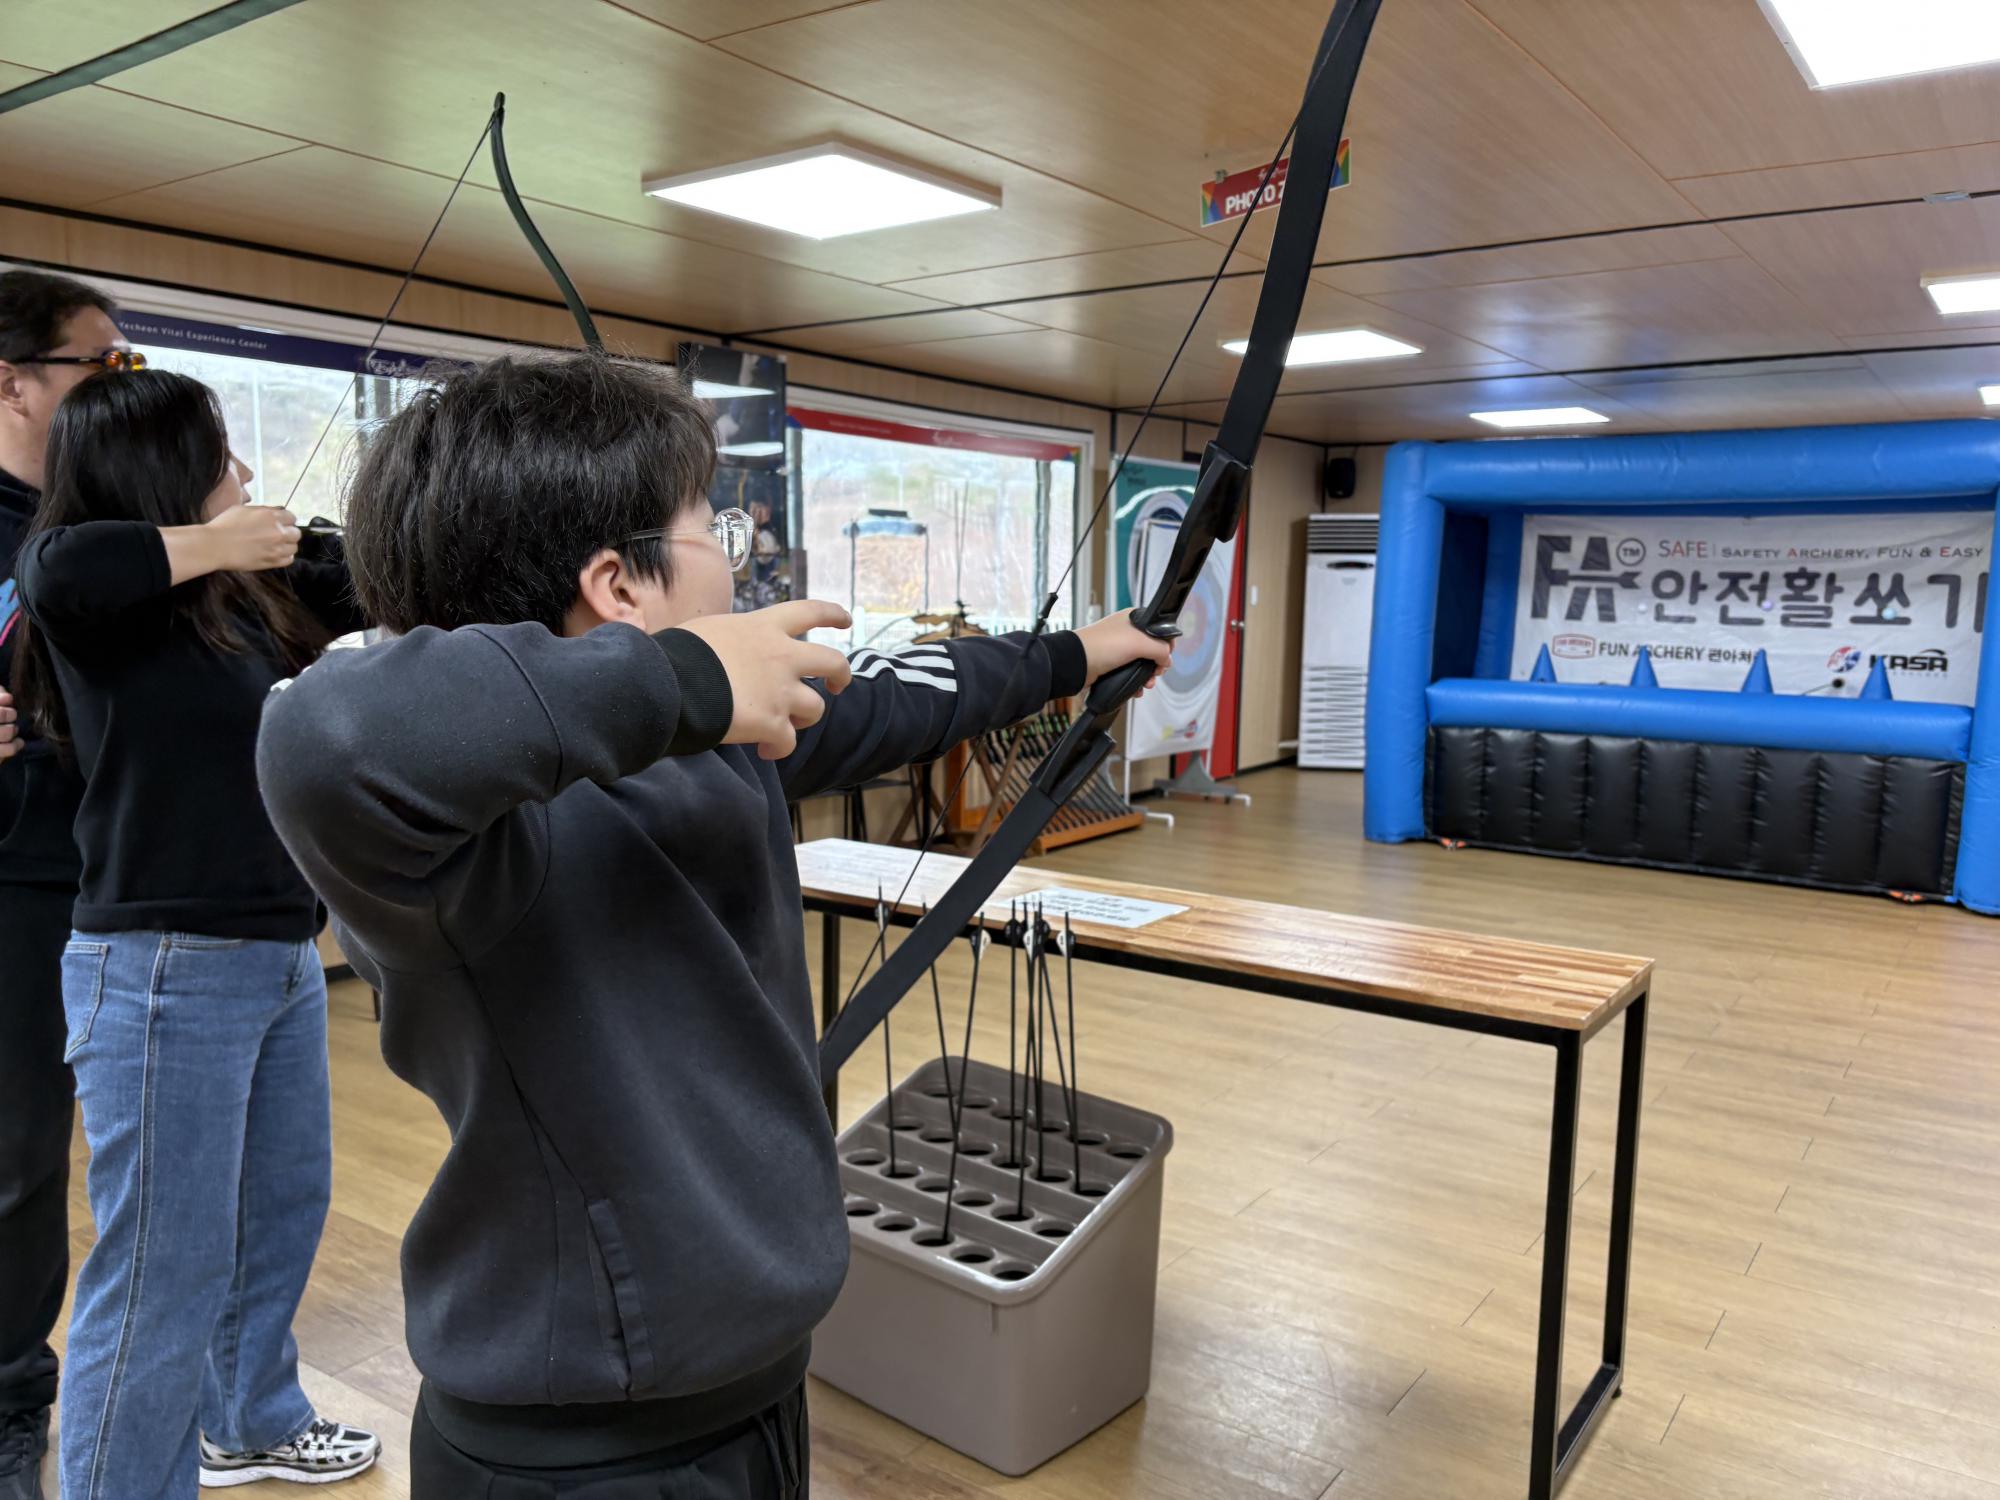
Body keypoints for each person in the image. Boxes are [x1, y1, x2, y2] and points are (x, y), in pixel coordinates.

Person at [254, 351, 1172, 1498]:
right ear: (618, 585)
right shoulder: (471, 839)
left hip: (747, 1388)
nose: (735, 563)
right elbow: (321, 735)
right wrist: (678, 675)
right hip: (584, 1452)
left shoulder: (721, 742)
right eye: (711, 530)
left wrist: (1076, 655)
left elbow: (897, 698)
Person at [10, 369, 381, 1497]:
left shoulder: (240, 601)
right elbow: (64, 567)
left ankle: (248, 1418)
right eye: (222, 461)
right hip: (164, 965)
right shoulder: (92, 592)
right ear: (162, 474)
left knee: (278, 1215)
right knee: (160, 1273)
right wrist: (220, 541)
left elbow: (370, 578)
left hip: (276, 954)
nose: (247, 475)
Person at [0, 267, 126, 1500]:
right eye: (104, 364)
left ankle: (15, 1401)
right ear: (16, 383)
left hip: (93, 877)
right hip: (12, 879)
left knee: (33, 1157)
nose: (120, 386)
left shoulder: (108, 527)